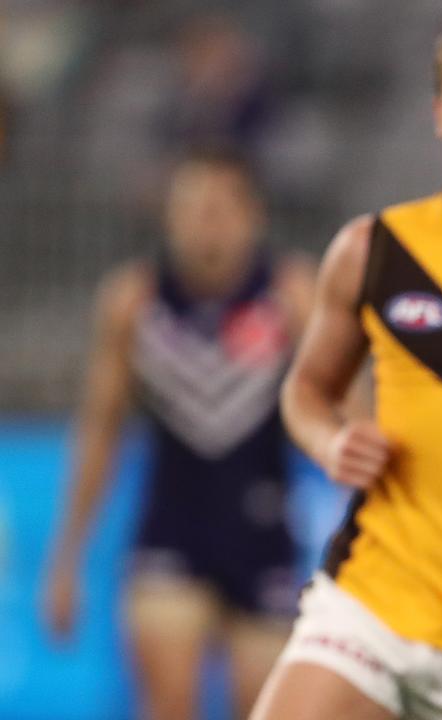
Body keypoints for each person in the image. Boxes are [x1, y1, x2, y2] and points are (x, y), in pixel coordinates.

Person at [250, 2, 442, 719]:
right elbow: (305, 391)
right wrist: (332, 439)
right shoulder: (373, 248)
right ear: (439, 112)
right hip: (371, 596)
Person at [43, 146, 316, 720]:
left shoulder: (290, 297)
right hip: (171, 531)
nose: (206, 225)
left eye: (220, 209)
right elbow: (99, 431)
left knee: (265, 708)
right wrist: (66, 557)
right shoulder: (135, 302)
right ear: (168, 218)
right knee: (167, 705)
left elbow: (350, 418)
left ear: (253, 216)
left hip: (264, 534)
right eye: (191, 210)